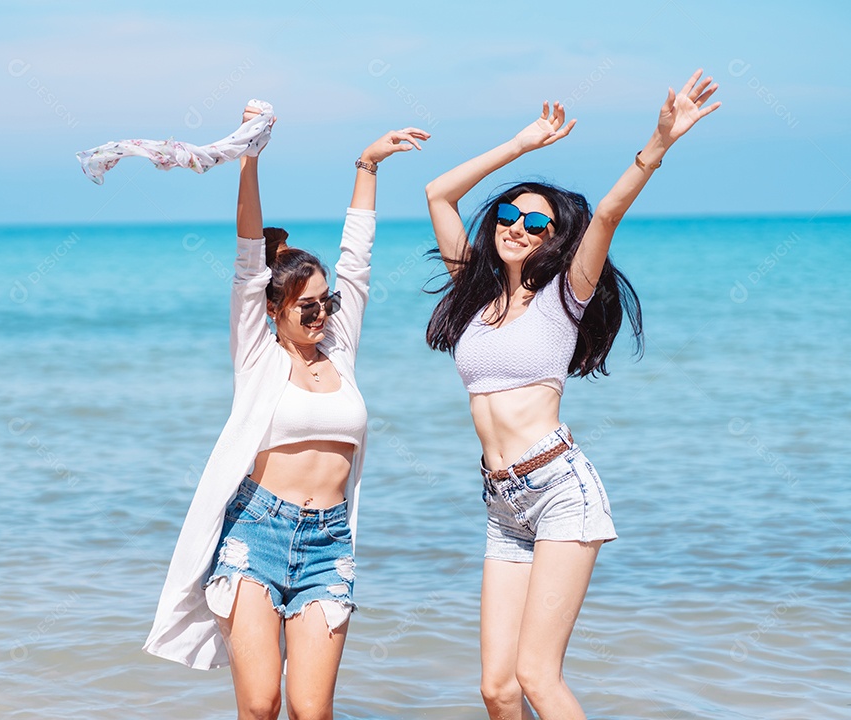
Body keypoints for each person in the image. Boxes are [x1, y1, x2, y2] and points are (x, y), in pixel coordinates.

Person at [424, 70, 719, 719]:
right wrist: (521, 147)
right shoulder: (474, 292)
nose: (517, 226)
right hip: (503, 504)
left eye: (536, 221)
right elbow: (438, 194)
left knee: (536, 675)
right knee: (497, 690)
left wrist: (658, 143)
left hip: (559, 489)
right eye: (509, 213)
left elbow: (609, 212)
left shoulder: (565, 297)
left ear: (554, 238)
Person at [144, 104, 429, 720]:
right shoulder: (258, 355)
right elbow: (250, 254)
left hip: (329, 541)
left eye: (325, 304)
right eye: (306, 308)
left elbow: (358, 260)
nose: (321, 315)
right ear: (275, 310)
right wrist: (250, 155)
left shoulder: (341, 351)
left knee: (311, 710)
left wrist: (369, 164)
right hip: (256, 534)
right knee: (262, 704)